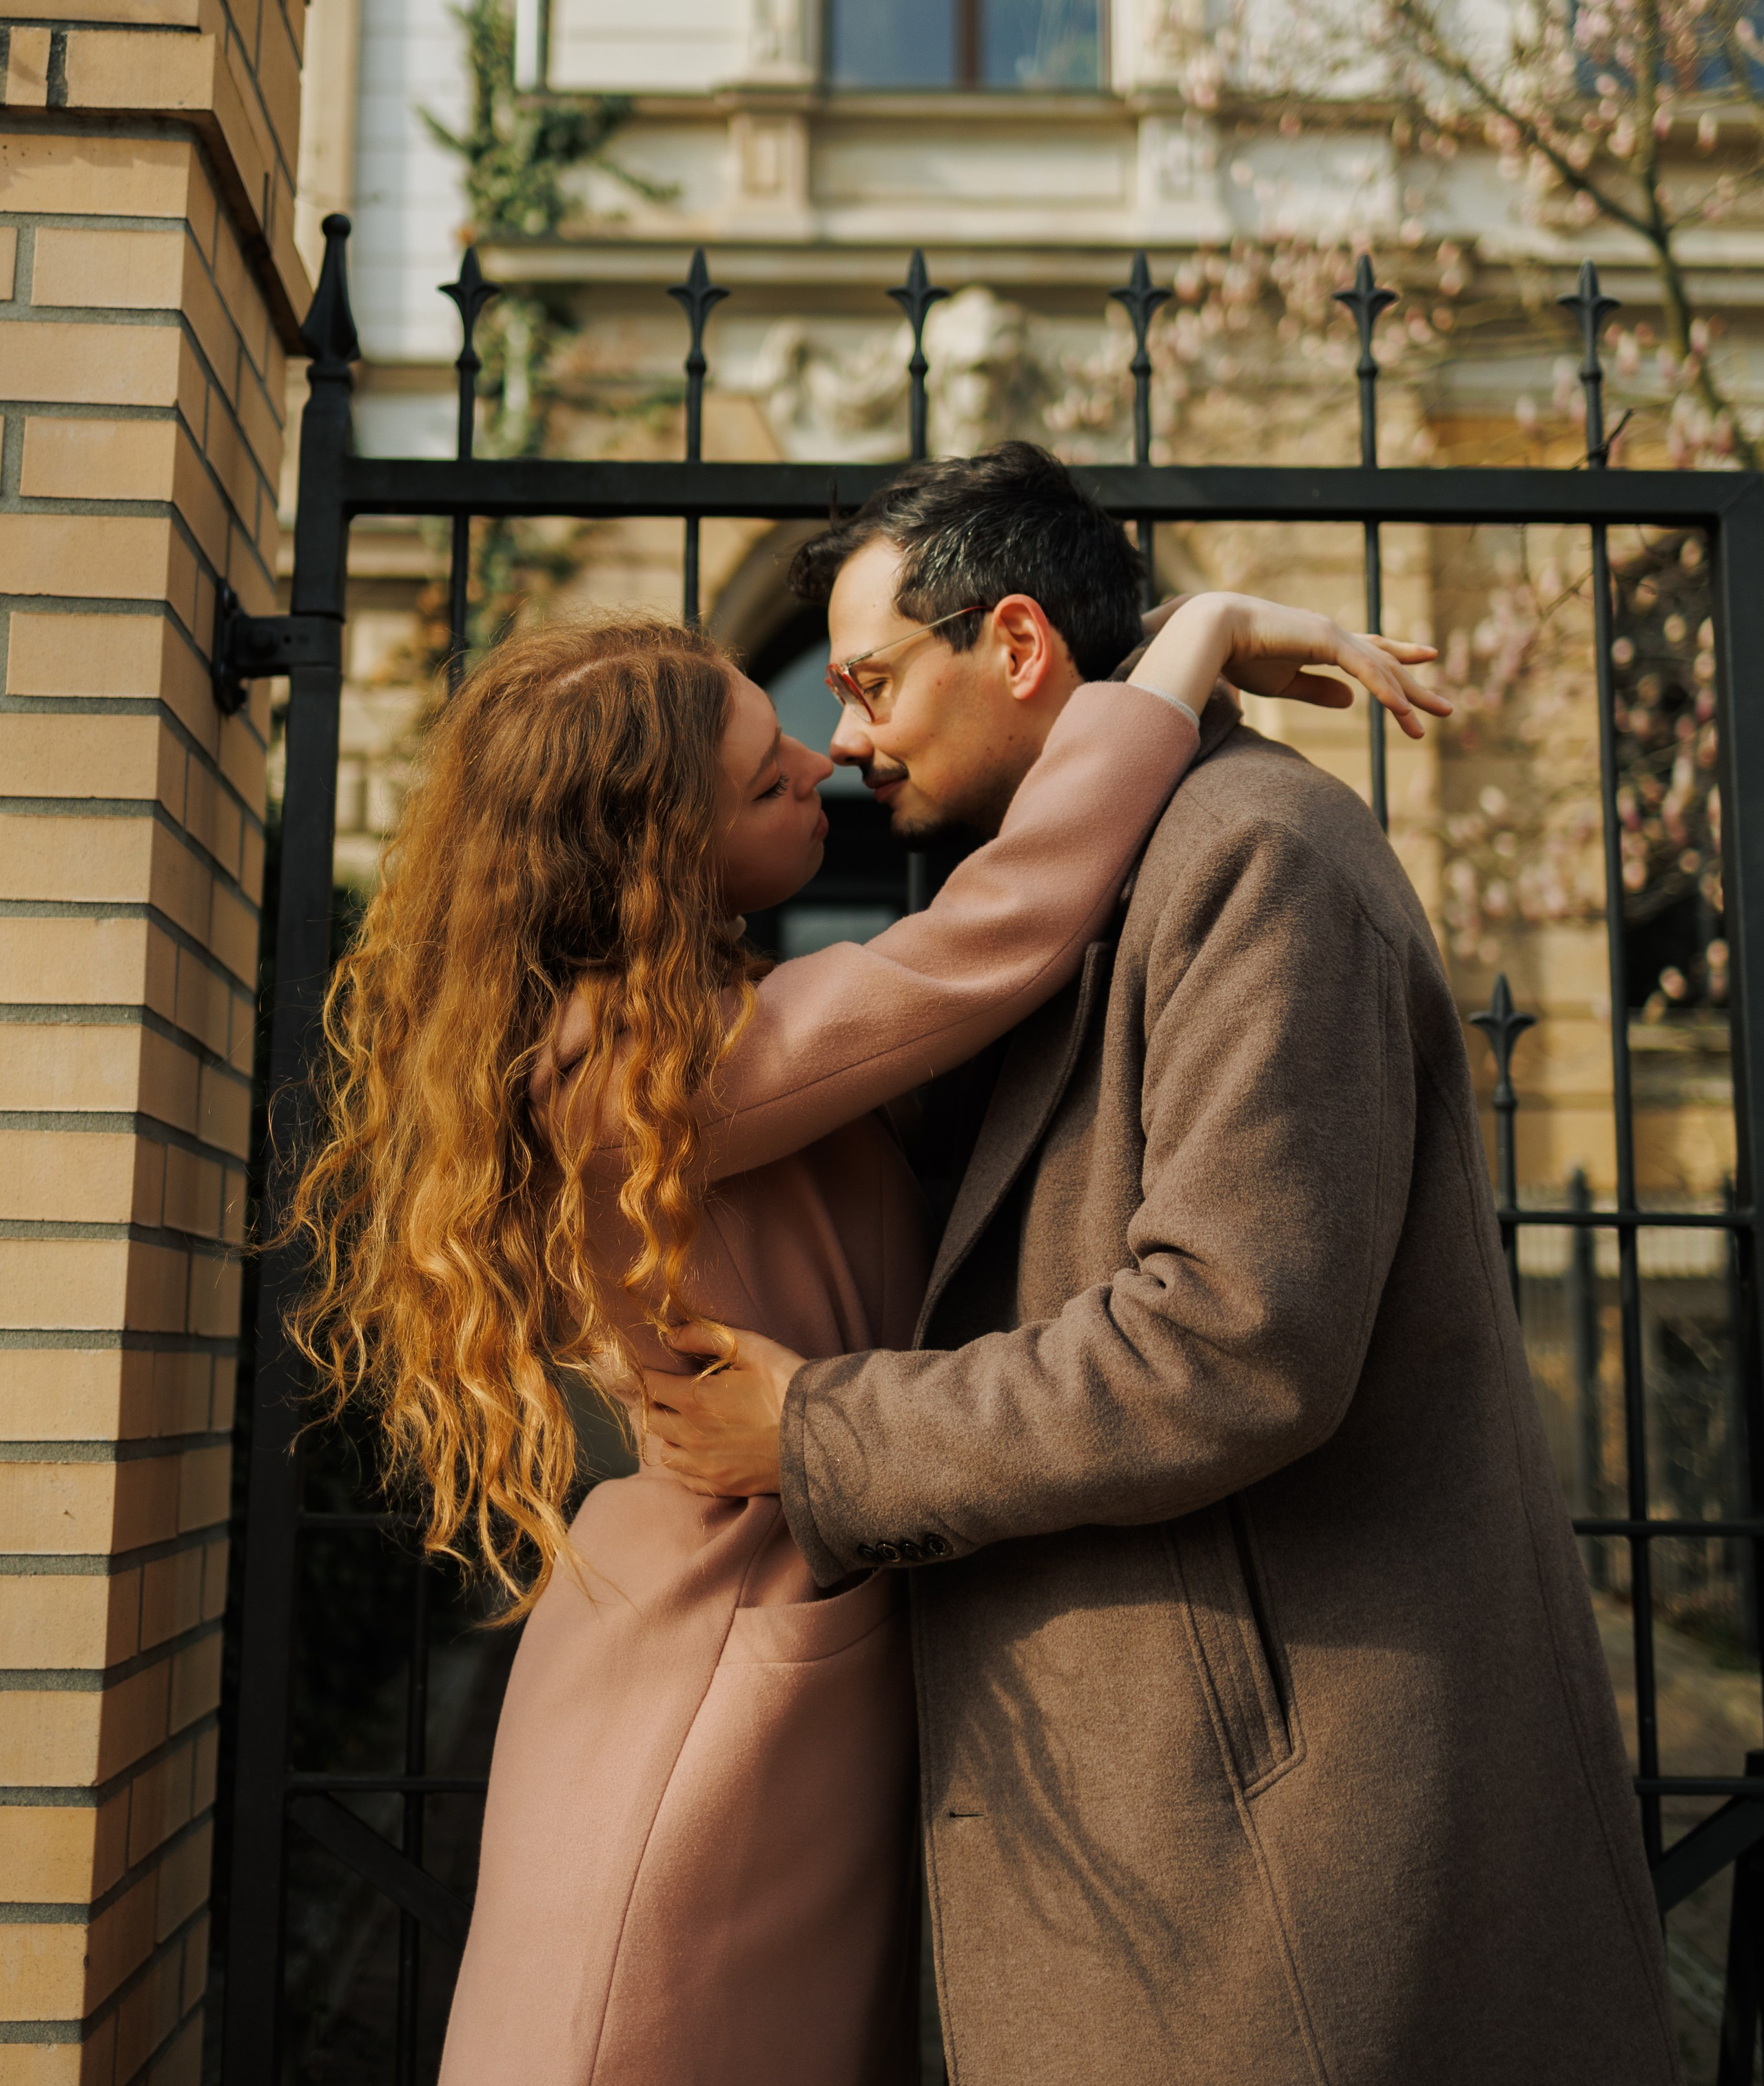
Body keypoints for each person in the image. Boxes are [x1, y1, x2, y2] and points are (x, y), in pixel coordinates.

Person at [285, 547, 1442, 2086]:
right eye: (768, 765)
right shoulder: (641, 1067)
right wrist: (1191, 640)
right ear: (655, 840)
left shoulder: (679, 1031)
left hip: (741, 1635)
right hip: (714, 1691)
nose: (824, 756)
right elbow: (999, 932)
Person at [643, 444, 1681, 2086]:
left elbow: (1228, 1341)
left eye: (868, 680)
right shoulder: (1084, 891)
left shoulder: (1252, 854)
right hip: (1155, 1813)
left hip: (1268, 1849)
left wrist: (820, 1433)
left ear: (1015, 646)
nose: (841, 736)